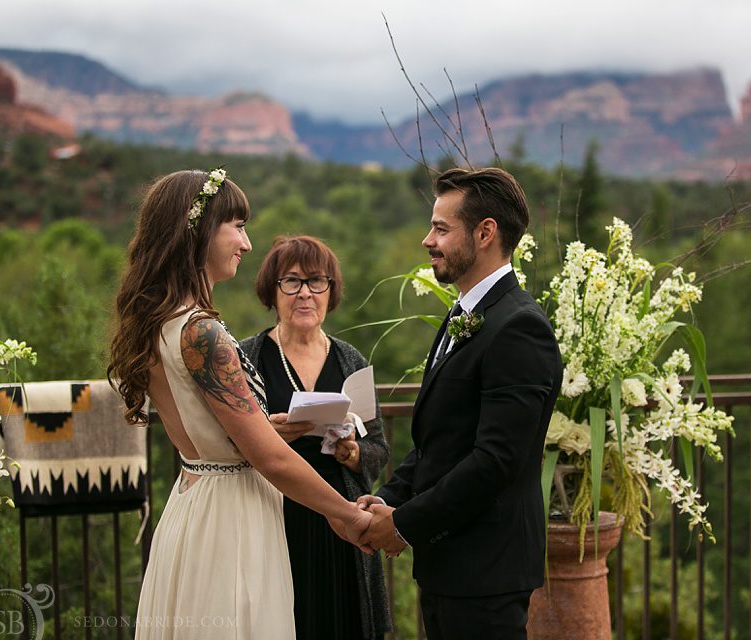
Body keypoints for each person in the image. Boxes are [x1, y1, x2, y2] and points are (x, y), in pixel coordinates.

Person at [107, 169, 371, 640]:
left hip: (193, 505)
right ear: (201, 231)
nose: (247, 244)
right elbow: (266, 457)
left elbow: (207, 434)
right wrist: (347, 514)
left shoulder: (160, 322)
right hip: (231, 519)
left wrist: (262, 428)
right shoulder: (202, 332)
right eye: (238, 226)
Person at [357, 167, 563, 640]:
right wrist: (386, 501)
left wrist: (404, 525)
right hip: (449, 566)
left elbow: (495, 462)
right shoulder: (463, 314)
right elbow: (439, 446)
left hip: (486, 572)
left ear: (485, 232)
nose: (427, 240)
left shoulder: (519, 328)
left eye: (441, 228)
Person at [239, 235, 391, 640]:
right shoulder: (246, 357)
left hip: (340, 518)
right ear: (272, 292)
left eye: (316, 281)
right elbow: (229, 446)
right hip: (273, 514)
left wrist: (354, 453)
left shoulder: (351, 360)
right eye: (291, 282)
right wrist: (268, 436)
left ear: (330, 291)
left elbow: (379, 449)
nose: (305, 293)